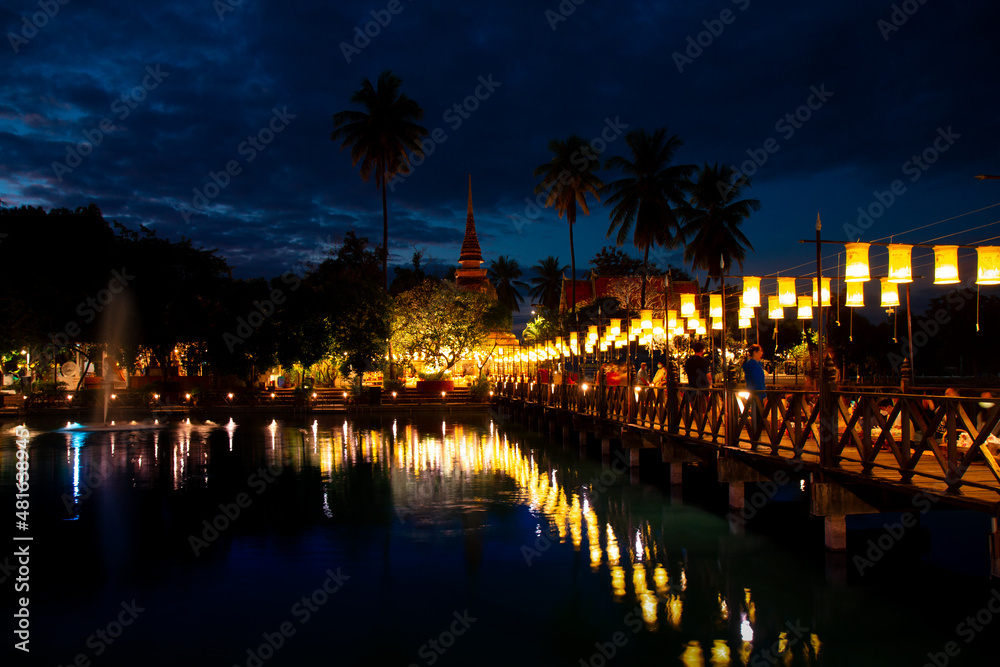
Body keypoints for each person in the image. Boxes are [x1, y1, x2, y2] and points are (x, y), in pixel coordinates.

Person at [742, 344, 767, 435]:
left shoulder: (754, 364)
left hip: (755, 393)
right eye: (760, 351)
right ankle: (756, 438)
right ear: (755, 352)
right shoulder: (753, 365)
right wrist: (763, 395)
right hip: (757, 394)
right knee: (758, 416)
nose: (761, 353)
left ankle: (756, 438)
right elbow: (757, 380)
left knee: (758, 416)